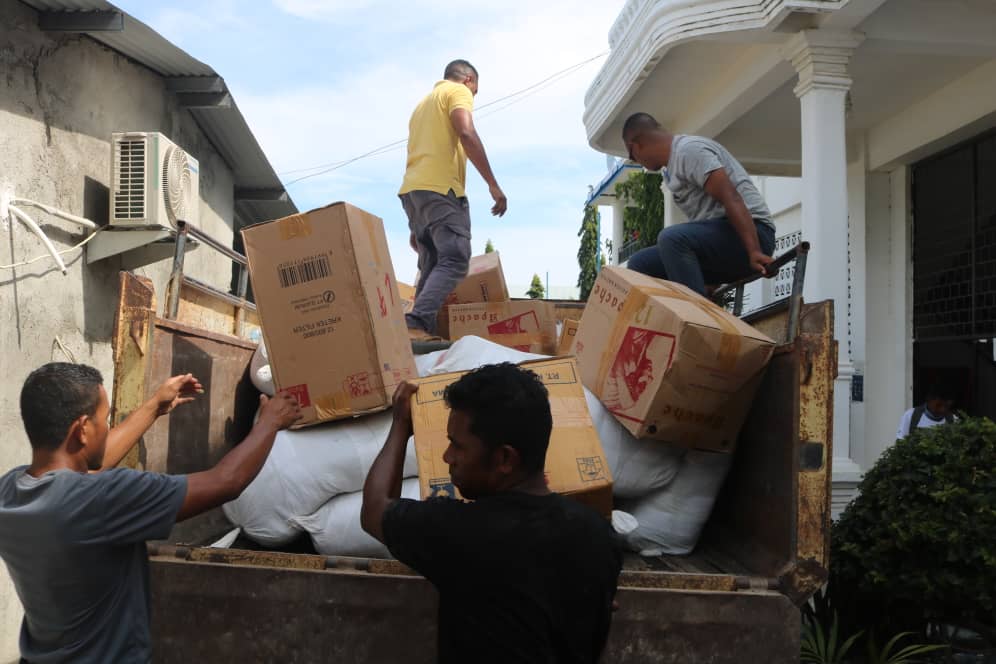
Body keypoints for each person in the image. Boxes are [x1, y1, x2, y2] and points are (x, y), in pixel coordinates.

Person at [0, 362, 301, 663]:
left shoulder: (10, 492)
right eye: (104, 419)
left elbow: (87, 470)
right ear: (81, 430)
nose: (107, 428)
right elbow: (226, 482)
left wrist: (154, 407)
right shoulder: (104, 498)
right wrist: (269, 423)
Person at [361, 363, 621, 664]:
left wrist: (400, 425)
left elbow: (375, 509)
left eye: (458, 446)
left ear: (505, 459)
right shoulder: (600, 537)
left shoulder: (458, 532)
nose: (447, 457)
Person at [400, 59, 507, 339]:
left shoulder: (422, 106)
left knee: (433, 263)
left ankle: (416, 335)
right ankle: (416, 322)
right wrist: (493, 184)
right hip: (440, 189)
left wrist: (417, 223)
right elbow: (466, 131)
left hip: (414, 192)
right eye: (475, 92)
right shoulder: (457, 91)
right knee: (457, 258)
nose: (472, 98)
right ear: (469, 80)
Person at [621, 112, 776, 296]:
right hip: (726, 242)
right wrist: (704, 279)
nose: (638, 162)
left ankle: (695, 319)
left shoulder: (688, 151)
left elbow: (731, 197)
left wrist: (754, 250)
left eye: (633, 157)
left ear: (636, 146)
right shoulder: (670, 171)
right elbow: (705, 227)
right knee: (640, 263)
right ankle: (672, 316)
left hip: (754, 235)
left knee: (671, 238)